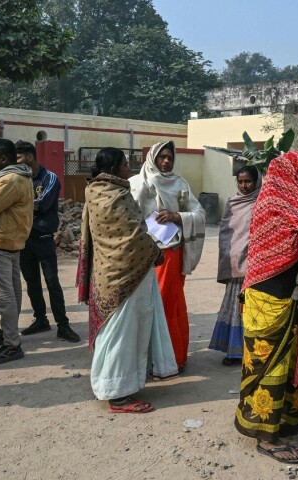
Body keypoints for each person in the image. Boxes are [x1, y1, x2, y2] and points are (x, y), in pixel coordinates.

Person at [235, 151, 298, 464]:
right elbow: (286, 246)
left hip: (289, 294)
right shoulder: (276, 203)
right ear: (294, 175)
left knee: (287, 362)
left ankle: (285, 422)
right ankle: (266, 437)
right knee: (269, 366)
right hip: (270, 296)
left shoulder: (292, 201)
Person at [77, 147, 178, 413]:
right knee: (121, 333)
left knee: (116, 332)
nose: (127, 169)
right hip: (125, 276)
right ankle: (118, 395)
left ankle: (117, 384)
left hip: (108, 273)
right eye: (124, 164)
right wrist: (155, 251)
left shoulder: (95, 190)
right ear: (113, 168)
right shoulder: (115, 195)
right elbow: (131, 237)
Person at [129, 141, 206, 371]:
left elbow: (198, 213)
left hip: (170, 252)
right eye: (161, 157)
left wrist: (176, 216)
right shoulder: (136, 183)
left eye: (169, 157)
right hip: (142, 254)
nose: (166, 161)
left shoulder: (179, 184)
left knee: (167, 302)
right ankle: (148, 359)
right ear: (152, 157)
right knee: (144, 304)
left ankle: (172, 357)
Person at [14, 140, 80, 342]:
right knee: (32, 282)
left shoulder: (49, 177)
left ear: (30, 156)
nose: (16, 162)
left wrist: (18, 205)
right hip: (25, 239)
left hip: (43, 238)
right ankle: (40, 319)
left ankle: (63, 324)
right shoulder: (19, 178)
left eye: (18, 157)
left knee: (52, 282)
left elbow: (43, 204)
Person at [0, 139, 34, 365]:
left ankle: (11, 344)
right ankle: (8, 333)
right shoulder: (22, 176)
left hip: (0, 241)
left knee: (4, 295)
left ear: (2, 157)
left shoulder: (9, 179)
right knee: (12, 291)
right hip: (12, 240)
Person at [210, 165, 260, 366]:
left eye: (248, 181)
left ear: (256, 181)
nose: (244, 185)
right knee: (234, 307)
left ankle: (252, 349)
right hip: (235, 263)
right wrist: (229, 258)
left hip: (254, 264)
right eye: (240, 181)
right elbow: (226, 233)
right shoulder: (232, 202)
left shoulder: (262, 202)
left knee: (252, 308)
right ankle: (233, 351)